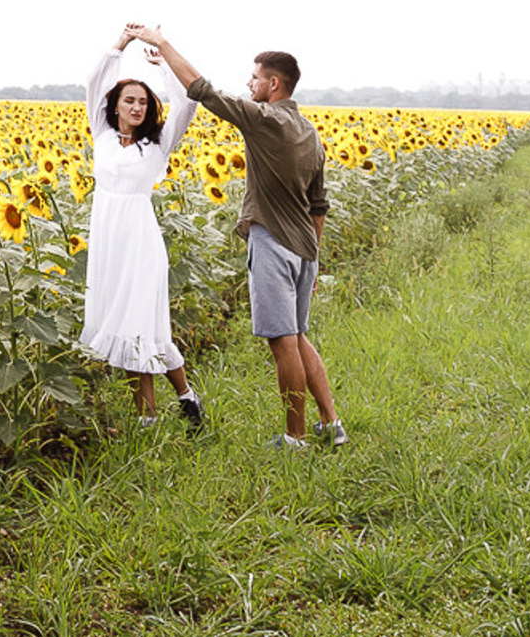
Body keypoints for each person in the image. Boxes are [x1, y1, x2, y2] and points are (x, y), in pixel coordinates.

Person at [123, 24, 345, 451]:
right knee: (298, 336)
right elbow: (319, 205)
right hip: (304, 250)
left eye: (255, 77)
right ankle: (330, 423)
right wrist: (313, 261)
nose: (249, 83)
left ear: (273, 84)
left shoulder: (265, 121)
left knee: (282, 343)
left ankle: (294, 437)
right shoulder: (309, 133)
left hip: (274, 244)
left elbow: (203, 91)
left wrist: (162, 44)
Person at [79, 37, 205, 428]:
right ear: (114, 105)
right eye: (129, 100)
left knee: (138, 327)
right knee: (139, 327)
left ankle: (147, 422)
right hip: (108, 243)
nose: (137, 107)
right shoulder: (100, 133)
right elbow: (93, 83)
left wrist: (162, 62)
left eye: (143, 102)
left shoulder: (158, 143)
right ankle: (187, 397)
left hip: (140, 243)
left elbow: (188, 103)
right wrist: (120, 45)